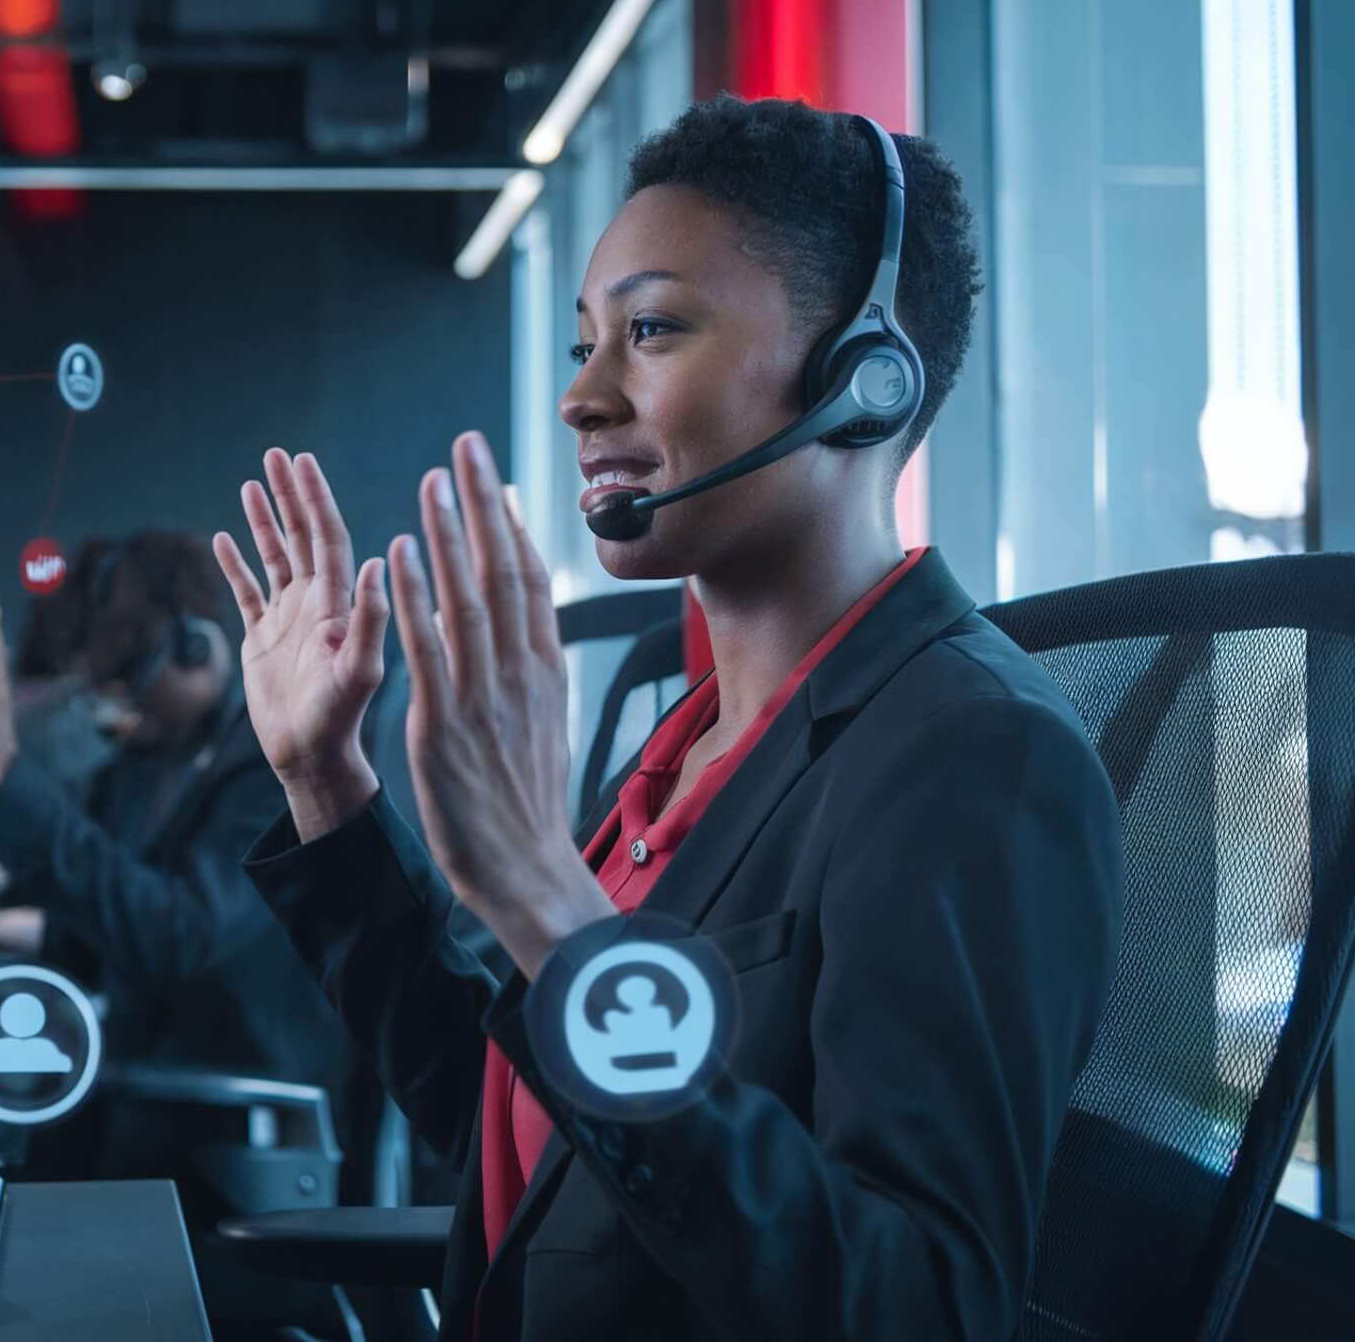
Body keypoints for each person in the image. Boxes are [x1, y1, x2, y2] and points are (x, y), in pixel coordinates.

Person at [212, 97, 1122, 1340]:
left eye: (648, 330)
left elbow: (923, 1308)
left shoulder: (973, 756)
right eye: (586, 342)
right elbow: (532, 1152)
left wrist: (549, 904)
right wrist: (327, 786)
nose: (582, 397)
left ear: (866, 377)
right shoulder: (683, 747)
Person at [0, 531, 350, 1108]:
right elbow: (120, 916)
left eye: (128, 688)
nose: (116, 716)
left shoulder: (277, 767)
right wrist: (4, 914)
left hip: (239, 1103)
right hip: (142, 1071)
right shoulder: (145, 766)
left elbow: (180, 937)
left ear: (192, 647)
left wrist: (2, 766)